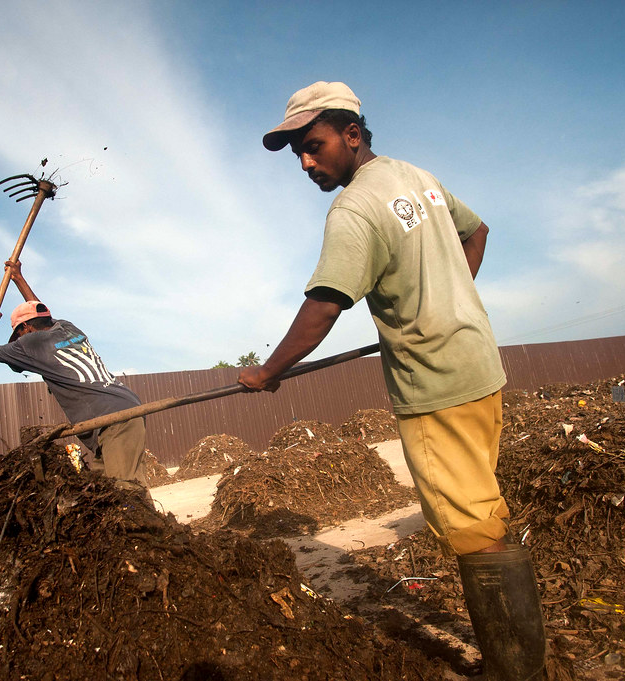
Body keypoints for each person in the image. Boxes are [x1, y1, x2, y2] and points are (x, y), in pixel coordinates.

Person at [238, 81, 546, 680]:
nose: (305, 163)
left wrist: (268, 372)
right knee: (483, 507)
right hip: (480, 366)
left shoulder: (354, 208)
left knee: (472, 529)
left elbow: (325, 304)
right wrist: (446, 299)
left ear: (351, 134)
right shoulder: (415, 177)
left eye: (313, 146)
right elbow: (478, 231)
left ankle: (517, 673)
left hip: (436, 387)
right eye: (298, 152)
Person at [0, 260, 150, 493]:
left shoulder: (31, 343)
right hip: (120, 410)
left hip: (113, 420)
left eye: (18, 334)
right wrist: (18, 278)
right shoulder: (67, 328)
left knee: (127, 492)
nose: (18, 340)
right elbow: (43, 312)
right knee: (105, 494)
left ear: (26, 329)